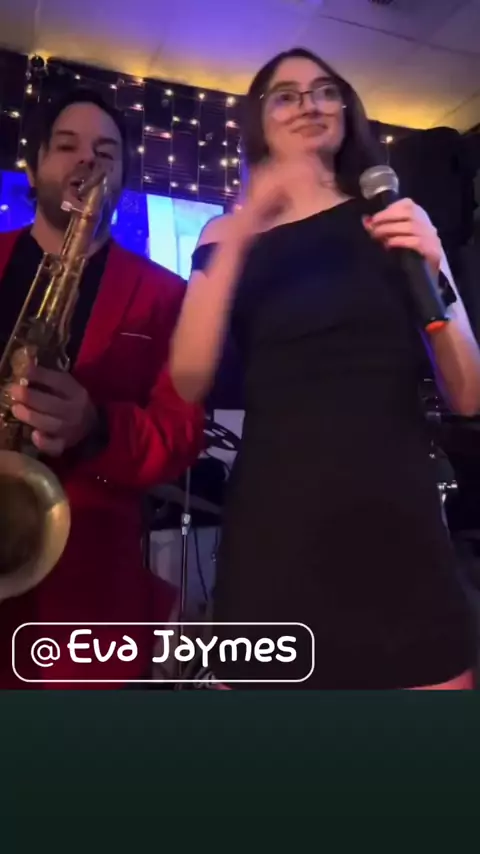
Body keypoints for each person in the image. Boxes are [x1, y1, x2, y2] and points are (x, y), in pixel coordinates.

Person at [169, 48, 480, 690]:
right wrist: (247, 223)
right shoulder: (225, 235)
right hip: (276, 524)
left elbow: (469, 394)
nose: (308, 104)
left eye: (324, 90)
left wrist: (435, 264)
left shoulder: (394, 217)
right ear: (259, 120)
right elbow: (189, 377)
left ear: (346, 110)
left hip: (399, 520)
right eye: (286, 94)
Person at [0, 88, 204, 688]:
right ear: (34, 166)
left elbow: (181, 434)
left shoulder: (166, 295)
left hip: (86, 597)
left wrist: (97, 425)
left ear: (122, 179)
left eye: (106, 152)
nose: (88, 160)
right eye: (67, 146)